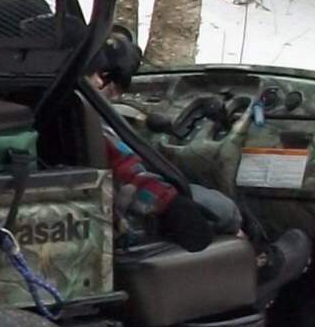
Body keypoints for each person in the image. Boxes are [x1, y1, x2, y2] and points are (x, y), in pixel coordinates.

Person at [86, 30, 221, 251]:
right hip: (119, 223)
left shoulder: (44, 102)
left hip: (97, 211)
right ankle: (260, 257)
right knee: (224, 210)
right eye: (94, 74)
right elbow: (129, 176)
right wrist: (174, 207)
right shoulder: (85, 117)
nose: (100, 81)